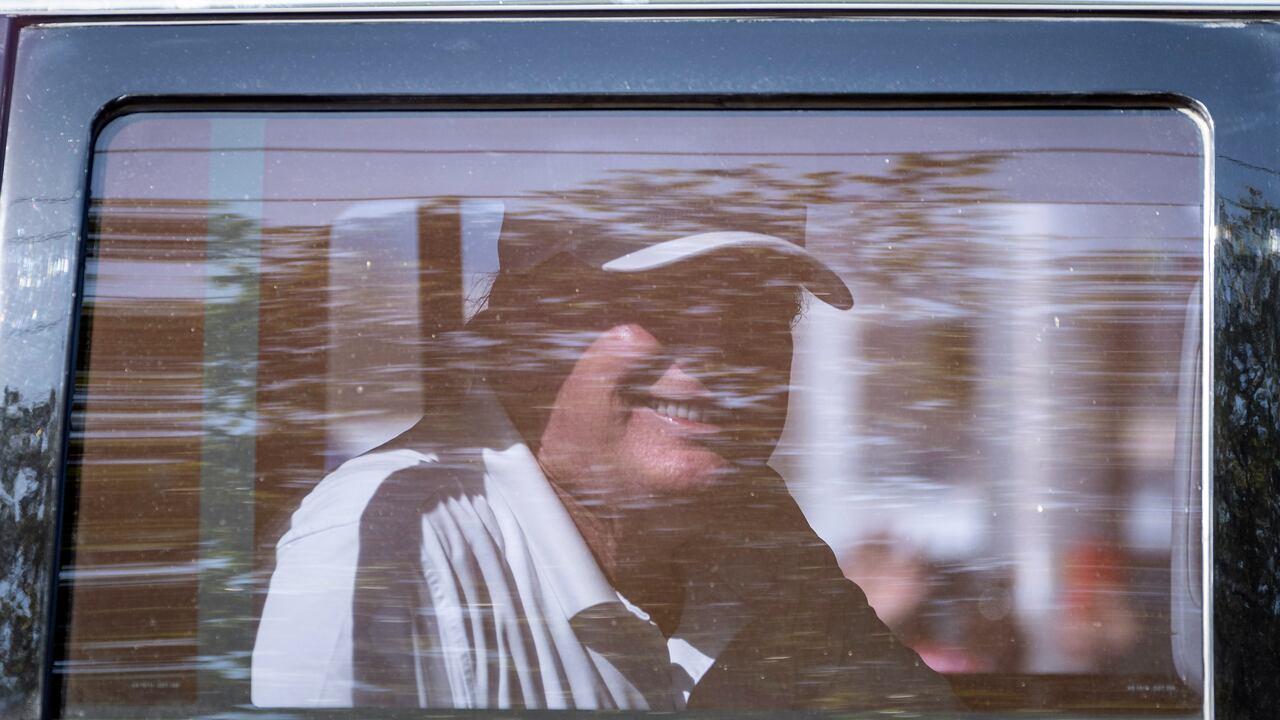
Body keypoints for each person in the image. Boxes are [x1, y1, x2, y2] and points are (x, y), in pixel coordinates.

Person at [251, 201, 958, 711]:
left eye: (760, 316)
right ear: (526, 323)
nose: (719, 357)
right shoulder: (392, 530)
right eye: (664, 304)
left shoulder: (754, 518)